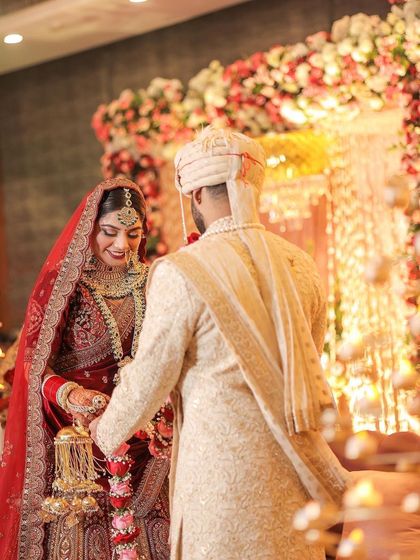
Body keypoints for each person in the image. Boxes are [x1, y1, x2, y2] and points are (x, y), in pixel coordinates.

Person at [91, 127, 349, 560]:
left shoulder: (181, 271)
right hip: (290, 474)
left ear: (194, 195)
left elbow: (151, 377)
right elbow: (308, 358)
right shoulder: (300, 265)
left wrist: (107, 429)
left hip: (220, 481)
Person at [0, 178, 170, 560]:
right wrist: (71, 394)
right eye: (109, 232)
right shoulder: (64, 287)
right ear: (90, 228)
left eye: (133, 233)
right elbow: (32, 367)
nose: (121, 245)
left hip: (147, 443)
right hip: (80, 451)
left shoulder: (157, 282)